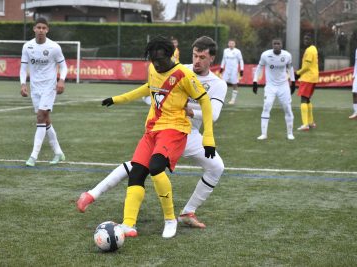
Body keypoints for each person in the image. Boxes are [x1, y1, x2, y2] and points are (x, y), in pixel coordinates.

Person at [77, 36, 226, 230]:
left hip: (190, 134)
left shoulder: (218, 84)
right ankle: (92, 194)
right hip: (165, 129)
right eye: (195, 55)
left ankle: (188, 212)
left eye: (203, 57)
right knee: (139, 166)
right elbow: (152, 88)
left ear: (212, 59)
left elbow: (213, 115)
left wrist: (187, 110)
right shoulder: (179, 69)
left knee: (216, 167)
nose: (197, 60)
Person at [20, 17, 67, 167]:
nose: (41, 30)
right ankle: (58, 153)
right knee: (45, 119)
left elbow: (64, 67)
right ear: (34, 29)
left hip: (49, 87)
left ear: (47, 30)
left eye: (43, 28)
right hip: (35, 88)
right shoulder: (27, 46)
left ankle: (33, 157)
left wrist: (61, 80)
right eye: (38, 27)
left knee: (40, 116)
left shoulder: (54, 47)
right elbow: (23, 68)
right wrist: (23, 84)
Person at [253, 38, 296, 140]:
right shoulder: (265, 55)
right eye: (275, 44)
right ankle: (264, 134)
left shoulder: (287, 55)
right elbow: (259, 68)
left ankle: (290, 133)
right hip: (270, 86)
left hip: (283, 86)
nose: (276, 45)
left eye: (278, 44)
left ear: (282, 45)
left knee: (287, 108)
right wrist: (255, 81)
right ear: (272, 45)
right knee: (266, 106)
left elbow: (290, 68)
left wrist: (293, 82)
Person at [296, 34, 319, 131]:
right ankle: (311, 122)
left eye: (308, 39)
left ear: (312, 40)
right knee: (308, 100)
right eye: (304, 38)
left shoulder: (310, 50)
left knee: (303, 100)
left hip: (308, 77)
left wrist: (298, 73)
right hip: (313, 77)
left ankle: (305, 125)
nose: (305, 40)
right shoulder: (313, 48)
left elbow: (307, 66)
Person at [219, 39, 244, 105]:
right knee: (222, 84)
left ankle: (233, 100)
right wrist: (221, 68)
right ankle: (221, 99)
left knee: (234, 84)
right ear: (228, 44)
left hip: (234, 71)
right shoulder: (225, 51)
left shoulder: (237, 51)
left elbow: (241, 60)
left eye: (232, 43)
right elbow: (223, 60)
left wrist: (242, 69)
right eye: (230, 43)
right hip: (227, 70)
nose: (231, 44)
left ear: (234, 44)